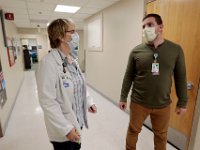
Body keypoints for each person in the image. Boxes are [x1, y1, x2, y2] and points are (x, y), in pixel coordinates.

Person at [119, 13, 188, 150]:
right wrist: (123, 97)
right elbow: (128, 76)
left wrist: (182, 102)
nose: (146, 29)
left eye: (150, 25)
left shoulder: (175, 50)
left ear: (161, 27)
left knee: (161, 135)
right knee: (133, 131)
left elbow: (181, 76)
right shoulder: (136, 51)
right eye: (143, 26)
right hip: (138, 102)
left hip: (163, 104)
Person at [36, 18, 97, 150]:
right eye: (73, 32)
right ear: (60, 36)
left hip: (77, 121)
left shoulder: (72, 60)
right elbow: (47, 101)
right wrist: (66, 129)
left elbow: (79, 85)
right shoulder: (48, 63)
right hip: (63, 128)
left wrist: (88, 101)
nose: (76, 36)